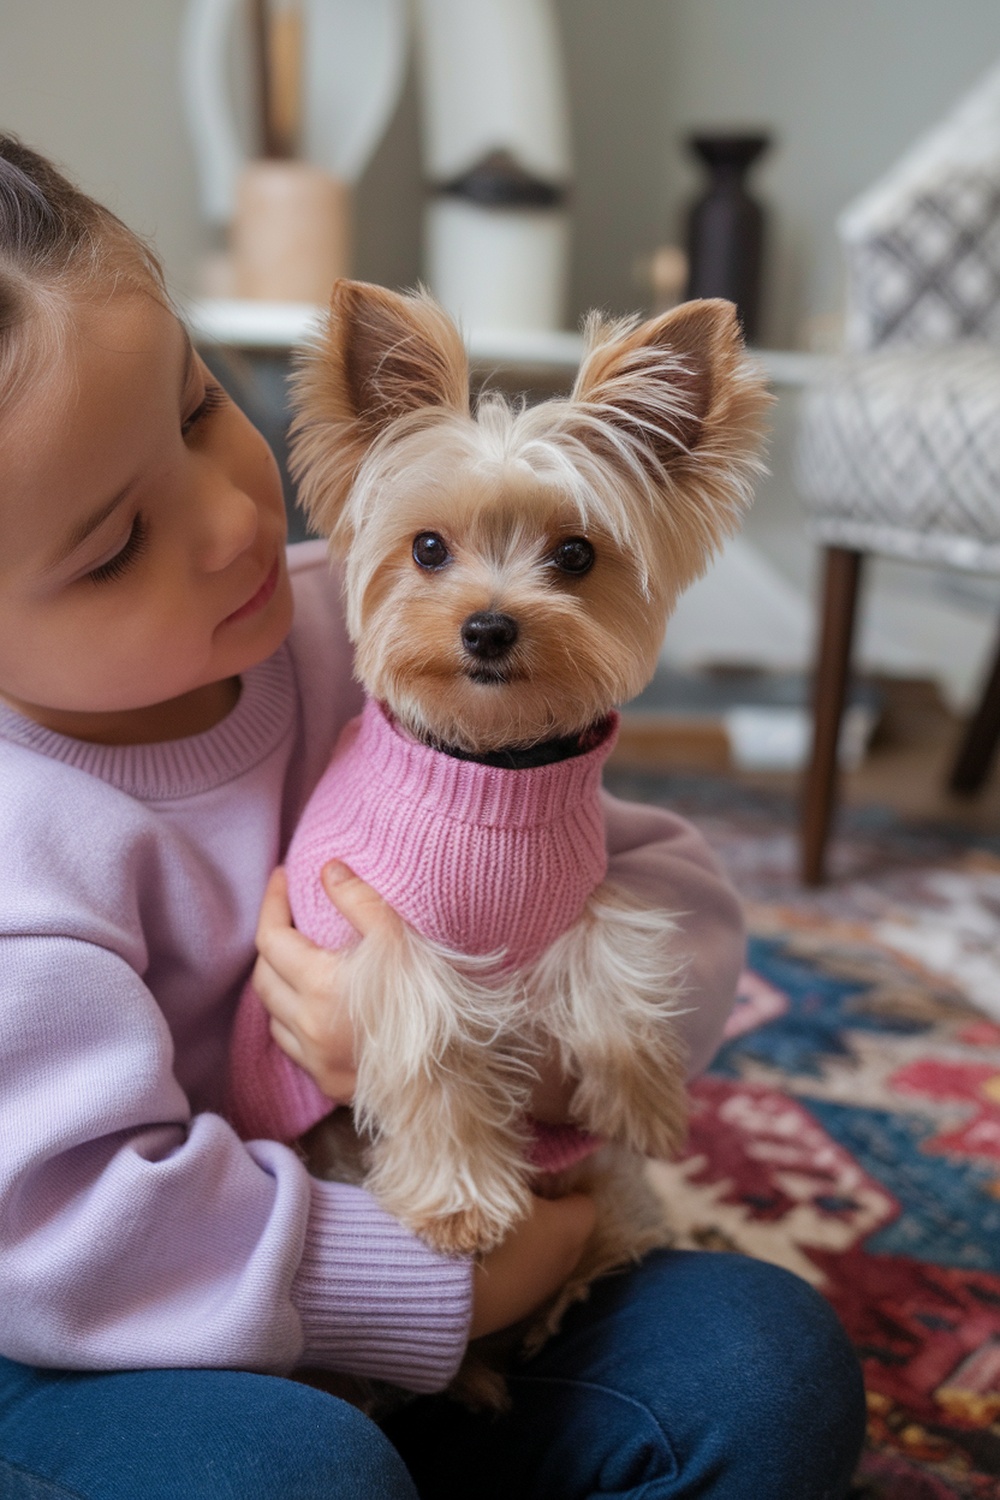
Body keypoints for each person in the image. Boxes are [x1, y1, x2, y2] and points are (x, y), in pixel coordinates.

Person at [0, 135, 866, 1499]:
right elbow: (68, 1234)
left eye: (195, 410)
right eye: (114, 545)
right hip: (112, 1330)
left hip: (467, 1217)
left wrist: (522, 1055)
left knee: (768, 1375)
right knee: (293, 1478)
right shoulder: (19, 848)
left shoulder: (376, 633)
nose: (233, 523)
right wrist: (458, 1289)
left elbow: (651, 891)